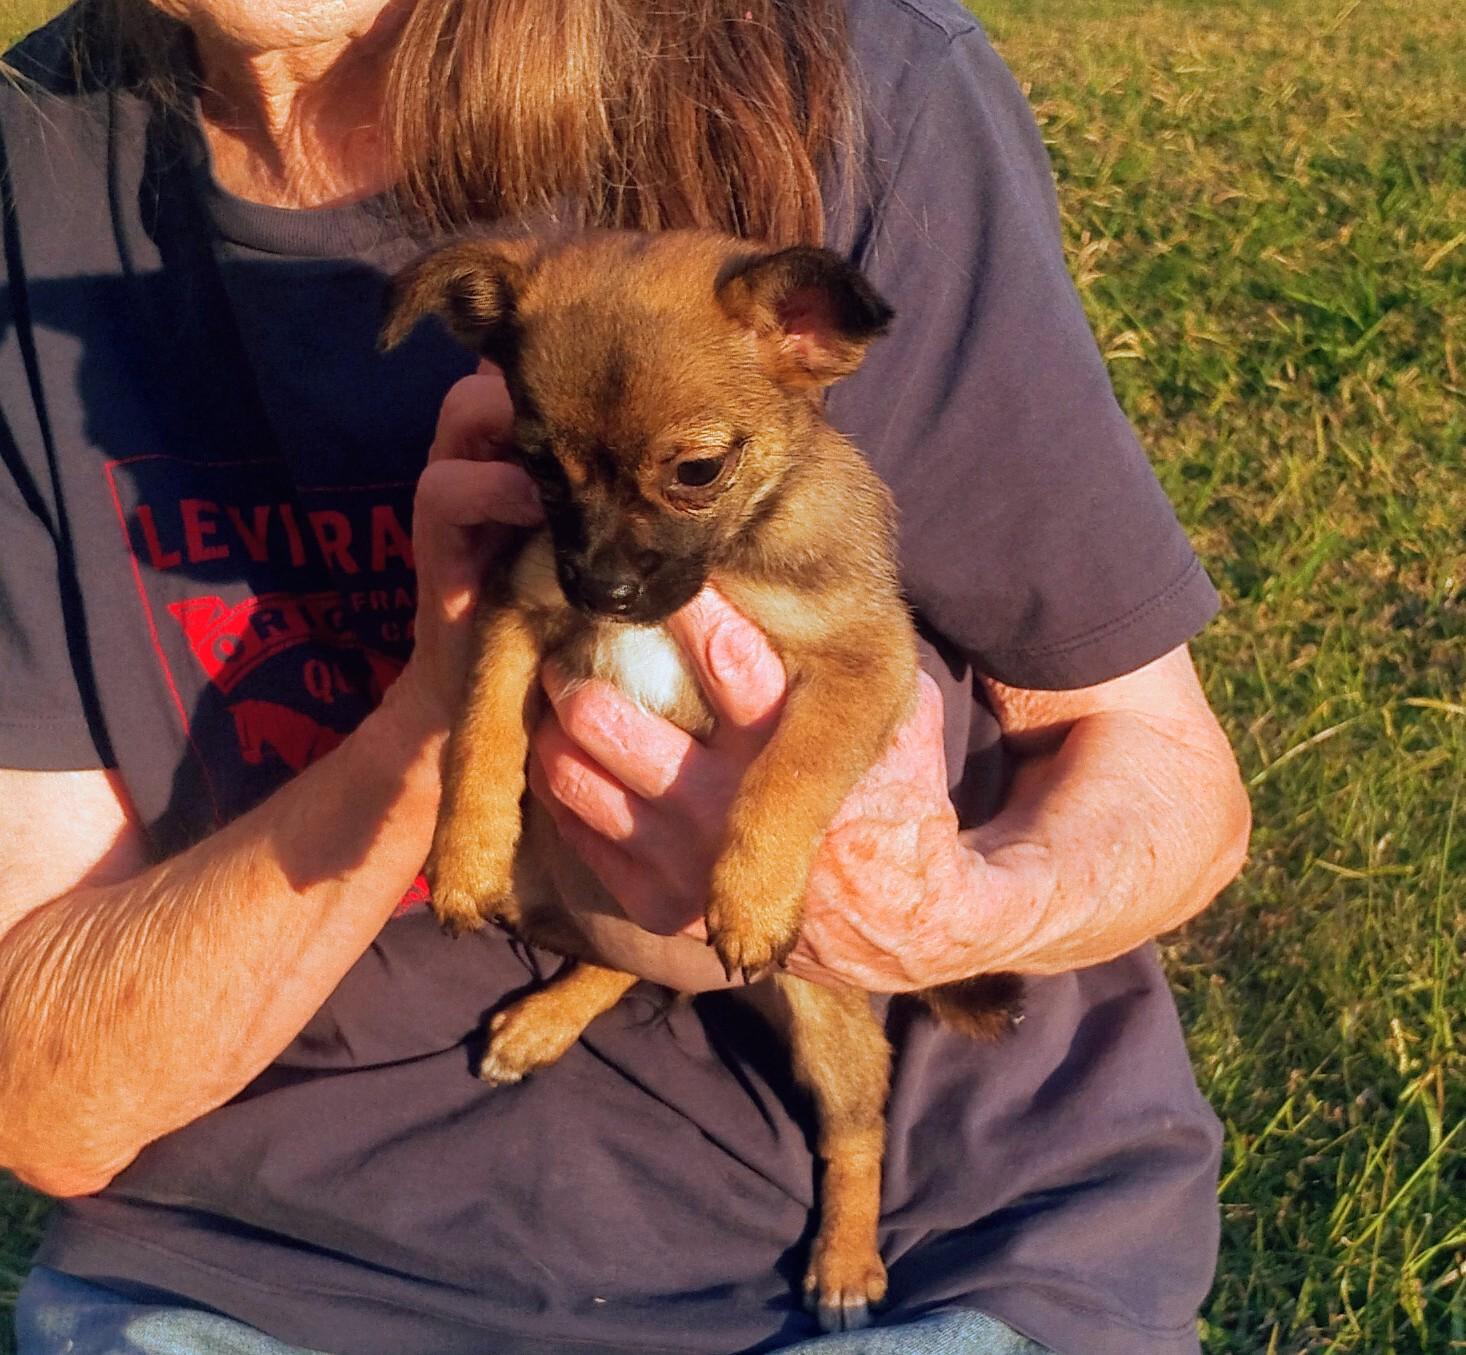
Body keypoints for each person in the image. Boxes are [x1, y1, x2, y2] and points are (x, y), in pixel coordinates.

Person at [0, 0, 1251, 1352]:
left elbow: (1157, 769)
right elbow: (45, 1106)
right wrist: (439, 723)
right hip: (275, 1263)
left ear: (809, 339)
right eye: (558, 471)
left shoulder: (851, 83)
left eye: (690, 473)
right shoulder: (35, 168)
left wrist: (942, 914)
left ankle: (849, 1187)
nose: (605, 551)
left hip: (948, 1236)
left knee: (832, 1018)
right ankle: (601, 974)